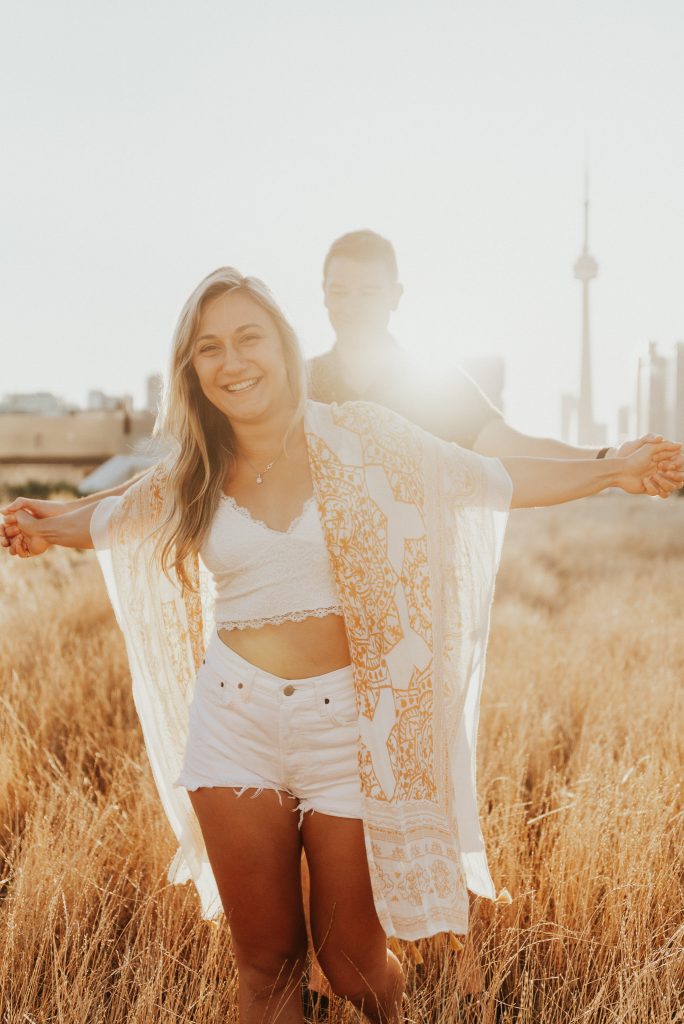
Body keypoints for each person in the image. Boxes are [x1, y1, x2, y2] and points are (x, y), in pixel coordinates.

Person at [2, 267, 682, 1024]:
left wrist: (610, 468)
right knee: (265, 967)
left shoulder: (363, 437)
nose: (233, 362)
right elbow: (121, 511)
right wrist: (46, 524)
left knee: (353, 962)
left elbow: (485, 476)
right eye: (209, 348)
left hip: (353, 730)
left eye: (249, 338)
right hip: (234, 726)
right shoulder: (191, 471)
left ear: (285, 348)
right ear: (191, 370)